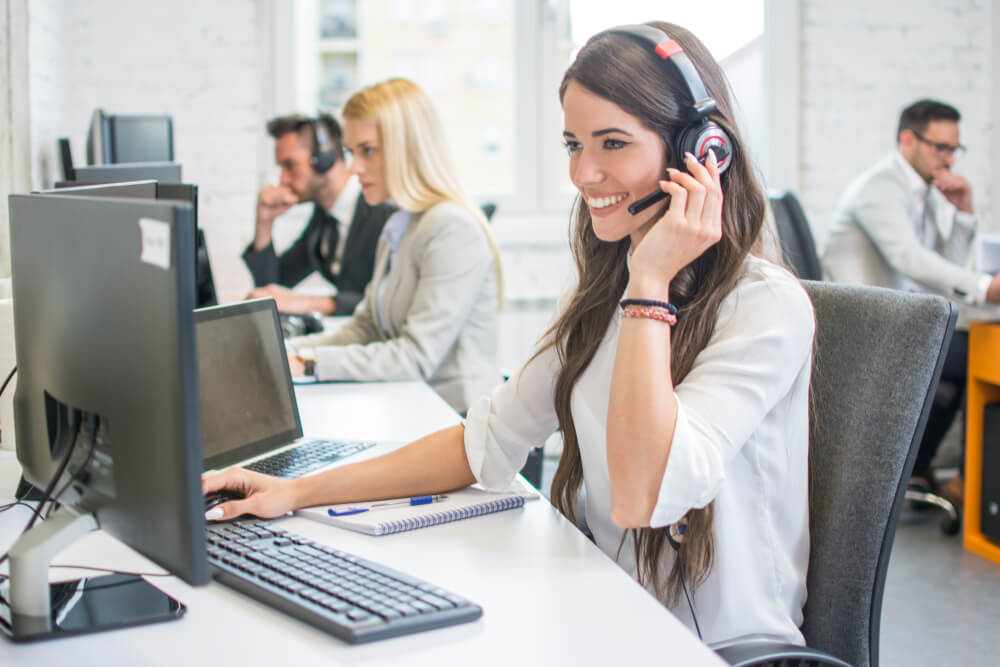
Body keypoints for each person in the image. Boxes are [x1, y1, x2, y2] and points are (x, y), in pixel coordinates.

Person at [206, 23, 813, 646]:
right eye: (574, 144)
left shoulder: (763, 307)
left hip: (710, 647)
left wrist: (652, 283)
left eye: (613, 143)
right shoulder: (607, 296)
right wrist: (297, 492)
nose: (584, 173)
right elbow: (488, 440)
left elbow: (642, 498)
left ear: (702, 151)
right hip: (607, 614)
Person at [284, 79, 504, 416]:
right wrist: (286, 351)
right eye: (351, 152)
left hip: (459, 423)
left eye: (367, 151)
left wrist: (307, 362)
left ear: (408, 149)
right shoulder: (400, 223)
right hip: (413, 409)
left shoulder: (451, 228)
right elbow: (366, 327)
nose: (355, 168)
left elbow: (414, 357)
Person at [822, 99, 995, 507]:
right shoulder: (881, 186)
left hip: (899, 323)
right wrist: (985, 287)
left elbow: (944, 271)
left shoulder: (926, 189)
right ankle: (968, 482)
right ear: (907, 140)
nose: (949, 159)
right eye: (941, 147)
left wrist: (964, 214)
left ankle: (918, 467)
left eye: (955, 149)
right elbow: (910, 260)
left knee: (964, 358)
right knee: (974, 353)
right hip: (867, 331)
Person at [243, 113, 396, 315]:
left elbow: (393, 301)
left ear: (325, 158)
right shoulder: (324, 219)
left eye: (290, 165)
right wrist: (264, 222)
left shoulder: (385, 211)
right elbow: (272, 287)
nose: (283, 179)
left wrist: (310, 303)